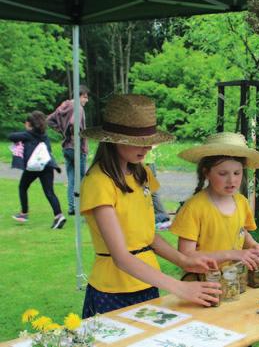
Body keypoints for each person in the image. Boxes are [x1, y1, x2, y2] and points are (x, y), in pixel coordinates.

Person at [79, 94, 221, 318]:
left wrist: (185, 261)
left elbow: (146, 236)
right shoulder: (98, 182)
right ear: (114, 139)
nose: (146, 149)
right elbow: (121, 257)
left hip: (147, 282)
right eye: (139, 142)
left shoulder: (140, 173)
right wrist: (180, 287)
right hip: (113, 289)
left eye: (149, 141)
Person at [170, 132, 259, 272]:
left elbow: (240, 232)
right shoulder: (194, 207)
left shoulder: (242, 202)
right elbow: (186, 255)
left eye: (237, 173)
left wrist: (254, 245)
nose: (231, 180)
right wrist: (231, 254)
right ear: (206, 173)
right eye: (223, 174)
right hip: (202, 284)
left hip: (235, 281)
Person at [8, 111, 66, 229]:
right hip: (48, 166)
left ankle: (24, 213)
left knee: (22, 187)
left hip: (34, 167)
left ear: (29, 123)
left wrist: (27, 131)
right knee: (49, 192)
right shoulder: (44, 135)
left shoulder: (28, 135)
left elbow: (11, 136)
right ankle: (59, 216)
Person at [47, 85, 90, 215]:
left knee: (71, 177)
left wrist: (62, 132)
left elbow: (49, 120)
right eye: (84, 97)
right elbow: (73, 123)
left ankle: (72, 207)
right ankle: (80, 207)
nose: (86, 100)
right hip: (77, 148)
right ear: (79, 96)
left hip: (66, 147)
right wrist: (75, 135)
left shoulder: (64, 106)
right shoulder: (78, 108)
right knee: (81, 179)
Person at [144, 147, 171, 230]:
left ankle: (162, 217)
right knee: (151, 192)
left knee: (149, 192)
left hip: (146, 163)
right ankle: (162, 216)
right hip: (148, 162)